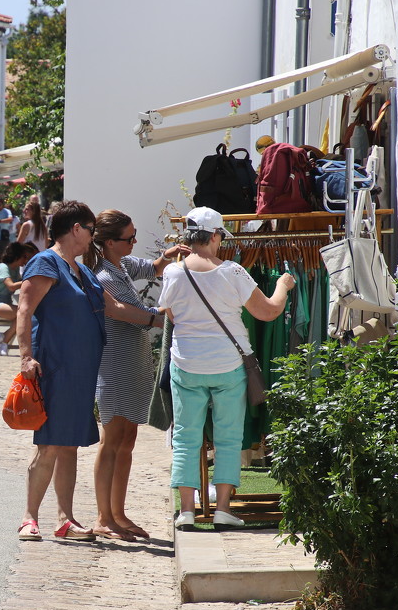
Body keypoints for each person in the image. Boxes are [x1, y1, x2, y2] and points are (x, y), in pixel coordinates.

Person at [16, 200, 161, 542]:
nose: (93, 237)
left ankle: (65, 518)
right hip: (54, 366)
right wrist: (25, 357)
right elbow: (24, 308)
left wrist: (160, 317)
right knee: (49, 444)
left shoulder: (79, 270)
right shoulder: (46, 262)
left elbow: (112, 307)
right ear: (76, 229)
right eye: (90, 230)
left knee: (69, 446)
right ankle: (29, 518)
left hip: (82, 370)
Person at [158, 206, 294, 531]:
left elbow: (170, 313)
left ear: (188, 237)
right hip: (228, 365)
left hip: (186, 364)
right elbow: (268, 312)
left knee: (186, 436)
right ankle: (222, 510)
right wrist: (284, 287)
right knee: (229, 438)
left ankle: (187, 512)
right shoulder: (232, 271)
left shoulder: (173, 273)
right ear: (216, 236)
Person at [89, 210, 189, 541]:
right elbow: (119, 311)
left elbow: (152, 268)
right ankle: (105, 517)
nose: (134, 242)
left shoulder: (122, 264)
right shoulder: (104, 275)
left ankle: (117, 513)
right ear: (108, 242)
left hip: (133, 364)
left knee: (127, 441)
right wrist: (164, 320)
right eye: (129, 238)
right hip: (115, 367)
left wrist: (168, 256)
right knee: (112, 441)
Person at [0, 241, 35, 355]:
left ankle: (4, 339)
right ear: (16, 257)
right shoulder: (2, 267)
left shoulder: (14, 270)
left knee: (25, 314)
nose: (25, 261)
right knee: (23, 315)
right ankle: (3, 339)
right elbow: (11, 286)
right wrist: (29, 281)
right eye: (24, 257)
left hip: (5, 304)